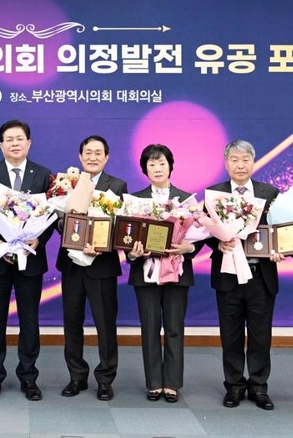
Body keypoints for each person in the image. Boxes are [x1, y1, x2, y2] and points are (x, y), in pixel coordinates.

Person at [0, 119, 53, 401]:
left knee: (29, 320)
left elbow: (51, 215)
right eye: (9, 139)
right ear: (1, 145)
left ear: (29, 143)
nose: (15, 143)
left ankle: (29, 377)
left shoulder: (43, 175)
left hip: (30, 259)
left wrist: (38, 240)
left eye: (19, 138)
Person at [206, 140, 283, 410]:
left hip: (261, 276)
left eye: (245, 159)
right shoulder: (214, 195)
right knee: (231, 335)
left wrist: (280, 249)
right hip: (228, 275)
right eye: (235, 160)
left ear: (253, 162)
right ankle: (234, 386)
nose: (240, 165)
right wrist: (218, 243)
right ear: (226, 163)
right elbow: (204, 232)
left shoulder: (270, 193)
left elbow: (281, 230)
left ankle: (259, 387)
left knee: (261, 335)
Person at [56, 135, 126, 401]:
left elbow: (120, 226)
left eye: (98, 153)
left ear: (106, 157)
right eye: (88, 152)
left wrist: (101, 244)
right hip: (72, 265)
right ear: (80, 156)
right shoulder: (67, 183)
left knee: (105, 324)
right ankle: (76, 376)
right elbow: (56, 220)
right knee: (72, 322)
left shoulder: (117, 185)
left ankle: (105, 378)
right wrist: (66, 225)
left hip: (102, 265)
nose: (92, 157)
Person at [126, 144, 195, 403]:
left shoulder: (186, 200)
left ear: (170, 166)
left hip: (177, 272)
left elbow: (200, 236)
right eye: (152, 164)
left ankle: (172, 383)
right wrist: (134, 253)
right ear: (144, 169)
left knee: (175, 328)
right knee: (150, 328)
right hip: (146, 273)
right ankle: (154, 382)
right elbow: (126, 239)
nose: (157, 168)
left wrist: (189, 248)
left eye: (162, 163)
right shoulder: (134, 201)